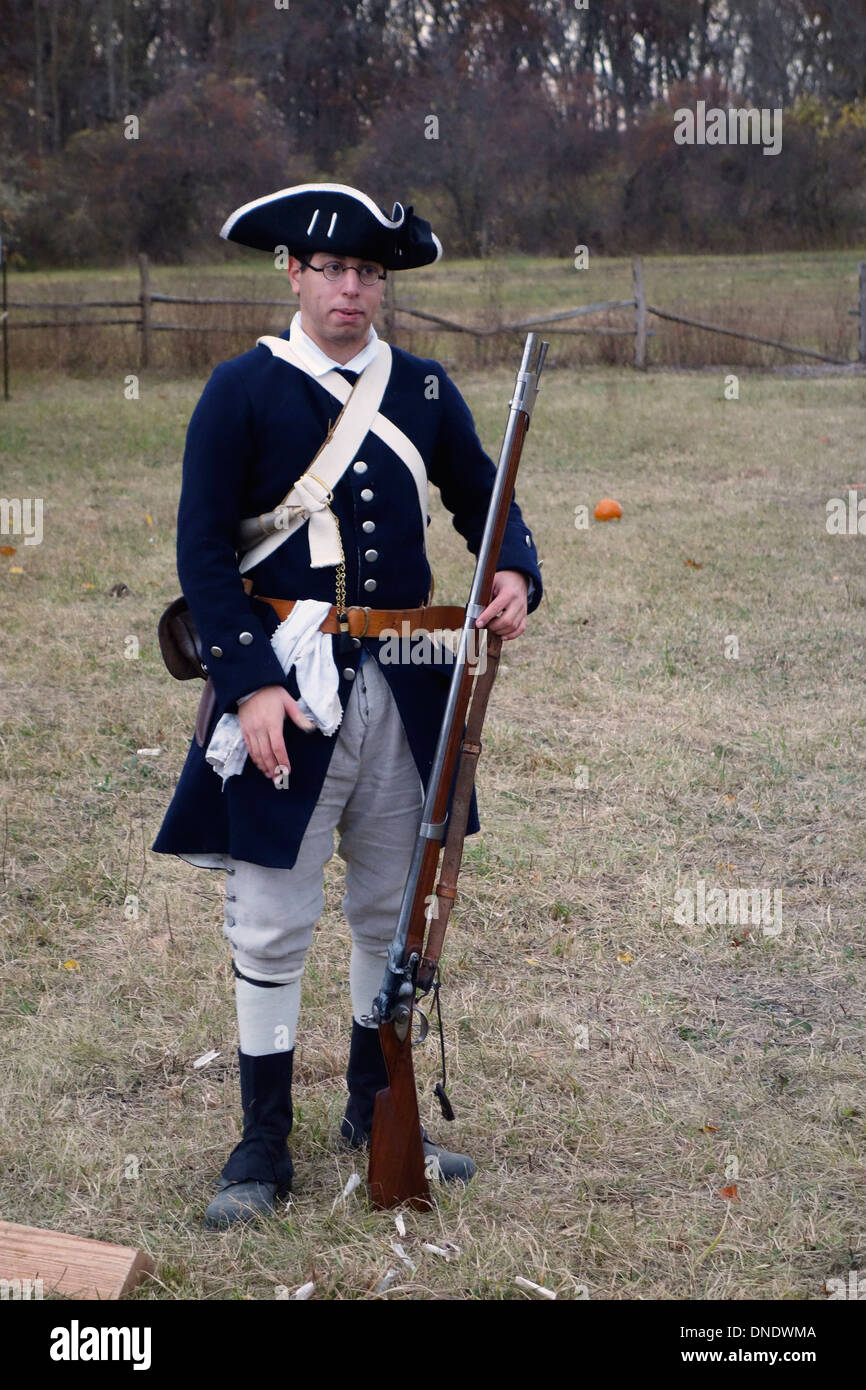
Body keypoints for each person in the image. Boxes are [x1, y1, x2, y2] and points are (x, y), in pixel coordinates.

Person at [151, 184, 543, 1228]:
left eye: (369, 271)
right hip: (288, 685)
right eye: (331, 269)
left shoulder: (418, 389)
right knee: (274, 919)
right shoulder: (239, 390)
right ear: (292, 272)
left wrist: (511, 570)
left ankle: (376, 1111)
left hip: (410, 685)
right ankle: (259, 1143)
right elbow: (201, 551)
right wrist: (252, 688)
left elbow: (481, 492)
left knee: (387, 909)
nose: (351, 289)